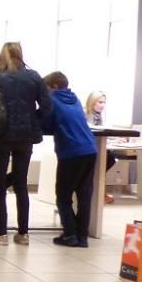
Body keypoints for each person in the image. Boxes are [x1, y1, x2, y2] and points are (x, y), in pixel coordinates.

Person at [0, 42, 52, 245]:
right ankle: (23, 234)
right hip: (26, 137)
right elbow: (47, 106)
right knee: (21, 183)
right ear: (20, 54)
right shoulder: (34, 77)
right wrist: (33, 119)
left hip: (0, 135)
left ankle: (1, 233)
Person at [43, 72, 97, 247]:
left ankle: (70, 234)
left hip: (71, 152)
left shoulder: (52, 101)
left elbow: (46, 123)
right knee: (84, 195)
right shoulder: (75, 99)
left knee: (63, 196)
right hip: (90, 149)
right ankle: (83, 237)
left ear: (53, 87)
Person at [85, 90, 117, 203]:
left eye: (104, 102)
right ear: (92, 102)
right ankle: (98, 193)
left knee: (110, 158)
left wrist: (115, 139)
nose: (102, 105)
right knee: (108, 159)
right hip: (88, 150)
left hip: (98, 148)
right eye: (100, 102)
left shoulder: (98, 117)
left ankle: (100, 191)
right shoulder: (87, 116)